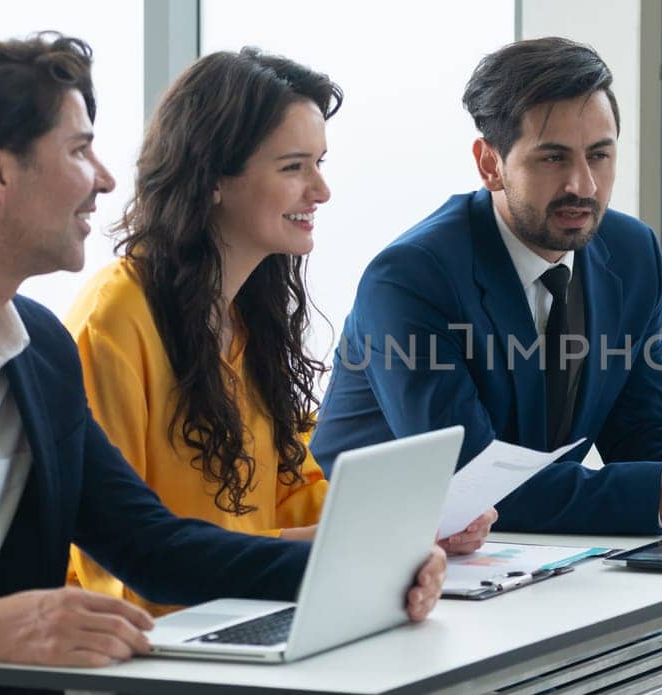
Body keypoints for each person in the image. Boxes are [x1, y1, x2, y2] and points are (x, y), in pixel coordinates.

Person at [0, 33, 444, 694]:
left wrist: (367, 567)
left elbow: (153, 546)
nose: (107, 179)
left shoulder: (38, 354)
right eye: (79, 149)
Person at [312, 37, 662, 540]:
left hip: (525, 553)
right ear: (490, 163)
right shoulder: (411, 278)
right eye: (553, 157)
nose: (583, 185)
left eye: (600, 155)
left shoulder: (630, 253)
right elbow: (467, 480)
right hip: (381, 553)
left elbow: (644, 431)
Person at [64, 48, 491, 615]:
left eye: (319, 163)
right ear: (214, 178)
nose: (321, 190)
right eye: (293, 167)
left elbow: (295, 504)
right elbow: (121, 562)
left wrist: (409, 534)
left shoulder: (246, 317)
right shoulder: (114, 319)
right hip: (156, 642)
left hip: (249, 611)